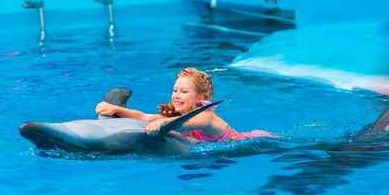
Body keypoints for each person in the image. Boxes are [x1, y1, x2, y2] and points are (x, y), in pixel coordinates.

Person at [95, 68, 272, 142]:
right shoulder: (177, 114)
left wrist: (161, 123)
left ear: (199, 97)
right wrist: (116, 109)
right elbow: (145, 117)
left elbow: (185, 124)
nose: (176, 96)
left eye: (184, 92)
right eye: (175, 90)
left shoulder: (206, 116)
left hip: (258, 141)